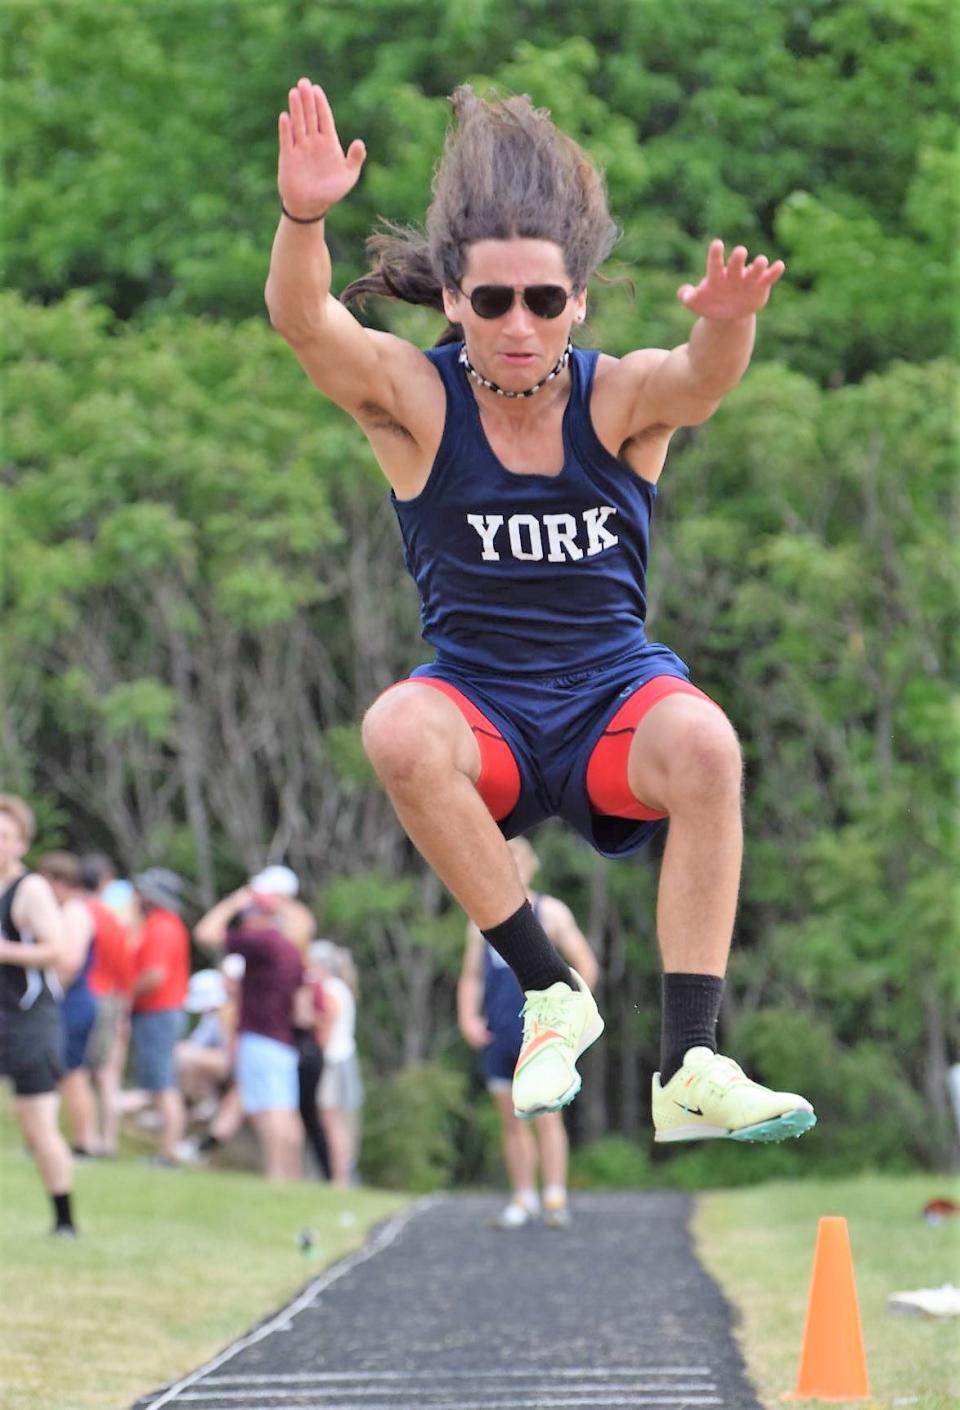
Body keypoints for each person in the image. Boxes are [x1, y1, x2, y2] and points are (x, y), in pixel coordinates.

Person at [265, 80, 815, 1144]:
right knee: (392, 727)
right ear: (455, 303)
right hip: (485, 713)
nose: (520, 324)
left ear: (579, 304)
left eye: (545, 302)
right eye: (494, 301)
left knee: (706, 742)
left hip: (614, 700)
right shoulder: (419, 405)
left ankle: (691, 1062)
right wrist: (303, 218)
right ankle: (550, 991)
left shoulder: (617, 400)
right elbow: (304, 322)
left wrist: (733, 326)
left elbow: (697, 380)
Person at [459, 838, 597, 1228]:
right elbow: (470, 976)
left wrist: (571, 1015)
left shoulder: (550, 912)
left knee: (547, 1117)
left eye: (517, 861)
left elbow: (586, 964)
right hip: (500, 1031)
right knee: (511, 1119)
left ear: (531, 866)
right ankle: (523, 1197)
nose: (511, 868)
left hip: (542, 1036)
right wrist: (468, 1018)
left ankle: (555, 1196)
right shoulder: (479, 916)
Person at [195, 875, 309, 1181]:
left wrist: (235, 901)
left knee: (267, 1111)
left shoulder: (264, 943)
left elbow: (205, 933)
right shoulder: (290, 949)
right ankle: (291, 1176)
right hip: (283, 1041)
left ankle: (276, 1176)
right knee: (285, 1111)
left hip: (261, 1038)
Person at [0, 795, 77, 1235]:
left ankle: (64, 1220)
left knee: (37, 1123)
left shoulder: (30, 890)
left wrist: (7, 951)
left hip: (28, 1017)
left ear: (21, 843)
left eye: (5, 836)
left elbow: (58, 949)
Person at [35, 852, 99, 1157]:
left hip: (71, 1002)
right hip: (66, 1001)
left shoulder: (74, 911)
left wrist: (47, 995)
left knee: (72, 1073)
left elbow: (70, 961)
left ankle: (82, 1142)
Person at [129, 867, 190, 1165]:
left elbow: (155, 975)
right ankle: (166, 1151)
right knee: (161, 1083)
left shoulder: (161, 926)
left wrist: (126, 995)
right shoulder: (165, 924)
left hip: (158, 1012)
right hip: (162, 1012)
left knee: (163, 1084)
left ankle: (168, 1153)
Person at [78, 852, 134, 1157]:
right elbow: (125, 967)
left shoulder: (80, 912)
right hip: (110, 997)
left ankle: (89, 1138)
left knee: (84, 1072)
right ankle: (105, 1138)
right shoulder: (114, 919)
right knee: (106, 1072)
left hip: (87, 996)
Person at [308, 941, 363, 1186]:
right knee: (336, 1121)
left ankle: (341, 1177)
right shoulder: (340, 988)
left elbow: (325, 1032)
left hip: (333, 1062)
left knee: (332, 1121)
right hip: (342, 1059)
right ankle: (341, 1175)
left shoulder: (330, 990)